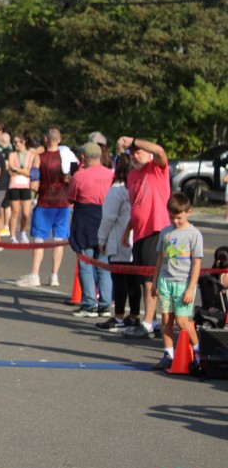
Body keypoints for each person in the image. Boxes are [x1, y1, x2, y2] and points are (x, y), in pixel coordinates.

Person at [117, 136, 170, 339]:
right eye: (132, 154)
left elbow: (160, 151)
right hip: (140, 233)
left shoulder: (156, 168)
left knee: (150, 279)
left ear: (147, 154)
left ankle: (147, 323)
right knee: (143, 280)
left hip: (156, 229)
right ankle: (153, 321)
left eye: (138, 152)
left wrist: (134, 141)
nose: (135, 156)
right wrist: (127, 229)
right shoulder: (132, 175)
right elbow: (137, 206)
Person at [150, 192, 203, 370]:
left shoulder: (194, 234)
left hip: (183, 284)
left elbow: (196, 263)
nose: (175, 221)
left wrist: (191, 288)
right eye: (172, 217)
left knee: (181, 321)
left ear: (188, 212)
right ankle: (168, 354)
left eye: (179, 217)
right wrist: (155, 281)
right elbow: (160, 258)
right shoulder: (165, 232)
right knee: (166, 320)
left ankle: (197, 350)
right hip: (165, 281)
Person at [17, 128, 71, 288]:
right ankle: (54, 276)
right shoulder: (68, 157)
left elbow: (33, 185)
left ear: (46, 140)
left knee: (39, 240)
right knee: (58, 240)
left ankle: (35, 275)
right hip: (62, 204)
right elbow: (73, 179)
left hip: (45, 202)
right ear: (59, 140)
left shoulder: (39, 158)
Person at [67, 142, 114, 318]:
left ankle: (89, 303)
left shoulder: (80, 176)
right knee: (103, 263)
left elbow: (71, 198)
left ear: (83, 157)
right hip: (105, 217)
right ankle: (105, 304)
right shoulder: (111, 174)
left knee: (85, 262)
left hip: (85, 219)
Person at [96, 154, 139, 331]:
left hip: (120, 240)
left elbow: (108, 217)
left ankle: (119, 317)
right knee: (134, 282)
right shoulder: (136, 188)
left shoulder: (117, 190)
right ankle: (134, 316)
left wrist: (101, 239)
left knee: (120, 281)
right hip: (136, 240)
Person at [6, 134, 36, 244]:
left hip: (26, 186)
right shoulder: (12, 154)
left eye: (16, 142)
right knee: (15, 211)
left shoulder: (31, 155)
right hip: (14, 186)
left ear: (23, 142)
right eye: (13, 142)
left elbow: (30, 172)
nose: (15, 144)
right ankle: (12, 236)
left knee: (26, 213)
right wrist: (22, 171)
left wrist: (17, 170)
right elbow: (10, 168)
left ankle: (22, 231)